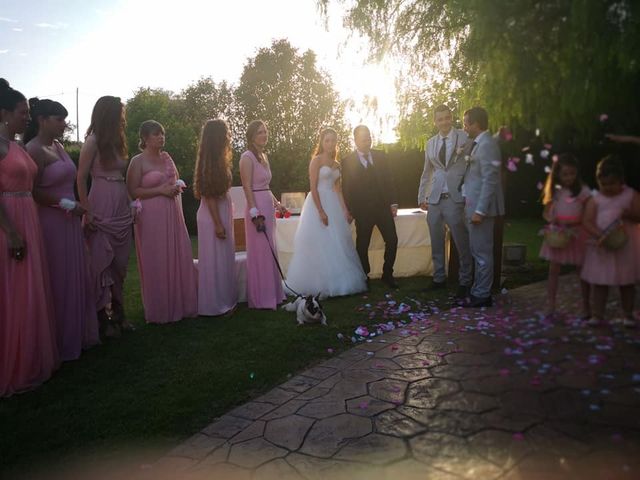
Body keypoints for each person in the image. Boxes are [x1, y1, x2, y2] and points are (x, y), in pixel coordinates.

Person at [25, 98, 99, 360]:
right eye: (59, 119)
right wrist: (67, 204)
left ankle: (77, 335)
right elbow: (31, 191)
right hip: (50, 221)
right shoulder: (32, 149)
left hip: (69, 221)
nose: (64, 124)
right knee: (58, 278)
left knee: (75, 274)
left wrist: (76, 205)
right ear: (42, 120)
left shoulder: (58, 145)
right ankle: (58, 341)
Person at [0, 79, 59, 396]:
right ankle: (14, 363)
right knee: (14, 291)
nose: (27, 116)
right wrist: (10, 232)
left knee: (29, 289)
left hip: (29, 215)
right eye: (22, 112)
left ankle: (32, 357)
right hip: (10, 222)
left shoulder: (19, 147)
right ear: (4, 113)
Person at [126, 120, 198, 324]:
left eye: (162, 134)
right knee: (156, 257)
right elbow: (132, 191)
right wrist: (160, 190)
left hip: (172, 212)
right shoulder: (137, 161)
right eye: (156, 134)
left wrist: (176, 187)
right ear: (145, 138)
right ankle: (160, 308)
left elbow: (175, 181)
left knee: (177, 253)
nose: (161, 137)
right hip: (150, 216)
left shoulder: (168, 158)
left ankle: (180, 302)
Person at [286, 128, 367, 297]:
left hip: (334, 205)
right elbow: (313, 188)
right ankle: (318, 283)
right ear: (322, 142)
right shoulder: (316, 161)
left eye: (333, 140)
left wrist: (345, 210)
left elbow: (338, 190)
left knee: (337, 243)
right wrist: (321, 211)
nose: (330, 144)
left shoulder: (337, 164)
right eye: (327, 140)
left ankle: (338, 281)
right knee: (320, 244)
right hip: (317, 204)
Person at [77, 96, 133, 337]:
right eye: (120, 113)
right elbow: (80, 178)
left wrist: (132, 204)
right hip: (101, 204)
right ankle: (103, 319)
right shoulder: (93, 141)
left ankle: (120, 315)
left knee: (120, 267)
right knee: (102, 264)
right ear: (109, 114)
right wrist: (87, 211)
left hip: (121, 205)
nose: (123, 118)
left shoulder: (118, 141)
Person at [418, 104, 472, 297]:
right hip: (434, 199)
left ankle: (465, 281)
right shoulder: (430, 143)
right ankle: (439, 278)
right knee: (436, 240)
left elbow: (470, 168)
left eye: (447, 118)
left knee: (461, 240)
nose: (444, 122)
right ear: (435, 121)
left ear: (452, 118)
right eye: (440, 119)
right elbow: (427, 172)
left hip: (455, 197)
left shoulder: (464, 138)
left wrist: (466, 193)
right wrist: (421, 196)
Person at [581, 155, 640, 327]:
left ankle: (628, 314)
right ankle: (597, 314)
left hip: (626, 246)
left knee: (627, 282)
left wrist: (629, 214)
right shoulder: (596, 199)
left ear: (621, 180)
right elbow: (587, 220)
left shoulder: (631, 195)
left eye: (611, 184)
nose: (607, 188)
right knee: (600, 282)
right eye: (603, 184)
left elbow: (638, 215)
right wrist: (600, 235)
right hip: (603, 246)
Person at [342, 125, 399, 288]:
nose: (368, 141)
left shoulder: (381, 156)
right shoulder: (347, 161)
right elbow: (347, 188)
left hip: (382, 208)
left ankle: (388, 274)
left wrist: (393, 202)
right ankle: (364, 276)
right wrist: (352, 209)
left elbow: (389, 180)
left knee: (392, 240)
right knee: (362, 245)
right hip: (362, 211)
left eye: (369, 137)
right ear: (356, 141)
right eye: (364, 138)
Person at [460, 107, 505, 307]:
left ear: (475, 124)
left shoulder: (487, 144)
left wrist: (480, 210)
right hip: (473, 205)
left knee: (482, 252)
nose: (464, 127)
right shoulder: (478, 144)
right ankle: (478, 290)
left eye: (466, 123)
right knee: (477, 250)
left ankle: (482, 294)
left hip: (481, 209)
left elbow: (490, 180)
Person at [239, 120, 286, 309]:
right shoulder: (247, 157)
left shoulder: (264, 156)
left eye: (265, 131)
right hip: (256, 208)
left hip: (267, 204)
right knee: (260, 252)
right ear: (251, 136)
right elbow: (247, 186)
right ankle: (261, 297)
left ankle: (274, 294)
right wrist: (253, 210)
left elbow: (266, 186)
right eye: (260, 132)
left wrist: (277, 203)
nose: (264, 135)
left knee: (270, 249)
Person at [539, 153, 591, 319]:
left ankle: (586, 306)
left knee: (581, 270)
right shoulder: (555, 191)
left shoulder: (583, 191)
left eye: (572, 173)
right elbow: (546, 212)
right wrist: (551, 219)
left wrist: (575, 223)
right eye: (565, 174)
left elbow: (589, 212)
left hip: (576, 234)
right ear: (557, 174)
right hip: (558, 234)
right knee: (554, 270)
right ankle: (551, 305)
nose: (569, 177)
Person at [193, 119, 237, 316]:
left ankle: (225, 300)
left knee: (223, 259)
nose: (228, 137)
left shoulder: (217, 158)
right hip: (212, 215)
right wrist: (218, 224)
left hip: (221, 210)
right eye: (226, 133)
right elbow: (208, 195)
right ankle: (215, 304)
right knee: (214, 261)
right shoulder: (208, 162)